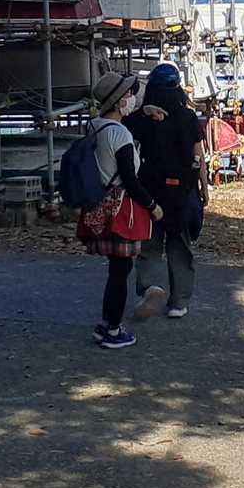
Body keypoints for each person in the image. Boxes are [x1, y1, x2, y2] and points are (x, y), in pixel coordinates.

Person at [81, 71, 160, 349]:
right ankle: (113, 330)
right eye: (128, 95)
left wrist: (145, 112)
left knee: (116, 269)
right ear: (117, 101)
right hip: (121, 208)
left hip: (98, 203)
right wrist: (153, 205)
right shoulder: (121, 134)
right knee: (120, 271)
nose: (132, 98)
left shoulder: (93, 126)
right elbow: (130, 179)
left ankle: (106, 324)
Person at [124, 62, 206, 320]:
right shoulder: (188, 118)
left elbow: (122, 128)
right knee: (179, 246)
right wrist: (204, 188)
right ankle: (179, 302)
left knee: (149, 244)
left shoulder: (144, 118)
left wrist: (143, 112)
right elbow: (199, 155)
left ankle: (149, 288)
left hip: (150, 188)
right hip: (182, 189)